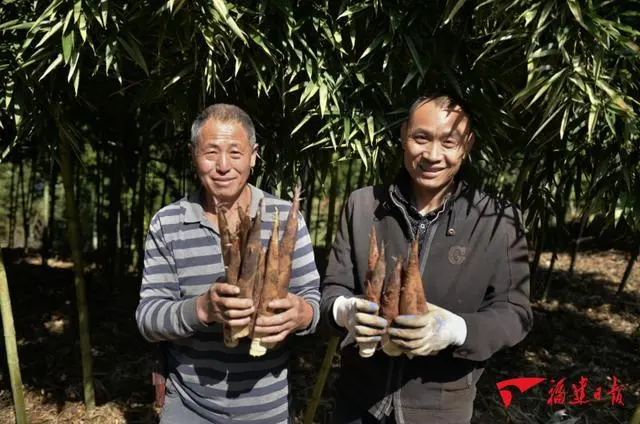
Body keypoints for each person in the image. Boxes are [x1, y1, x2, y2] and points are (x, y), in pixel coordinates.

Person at [320, 91, 533, 424]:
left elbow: (515, 314)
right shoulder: (363, 206)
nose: (433, 155)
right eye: (421, 138)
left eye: (449, 142)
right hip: (357, 403)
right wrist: (344, 311)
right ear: (404, 135)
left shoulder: (498, 220)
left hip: (440, 411)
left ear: (468, 145)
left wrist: (456, 330)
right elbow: (332, 290)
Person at [136, 104, 321, 423]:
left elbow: (314, 305)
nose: (223, 166)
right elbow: (147, 319)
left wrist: (301, 314)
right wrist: (203, 309)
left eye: (235, 152)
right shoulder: (167, 223)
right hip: (189, 408)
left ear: (253, 155)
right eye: (211, 152)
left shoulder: (286, 218)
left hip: (267, 410)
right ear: (194, 155)